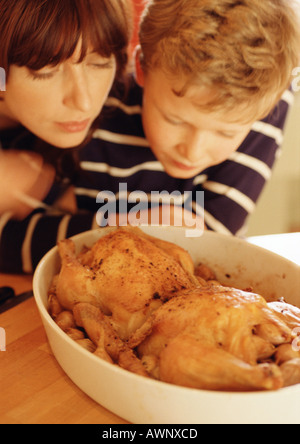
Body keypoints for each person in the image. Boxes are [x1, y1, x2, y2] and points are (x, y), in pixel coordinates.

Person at [1, 0, 300, 274]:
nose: (192, 152)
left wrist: (107, 228)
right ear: (140, 68)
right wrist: (114, 227)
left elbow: (207, 248)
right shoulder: (94, 111)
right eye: (173, 119)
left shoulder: (257, 94)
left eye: (225, 132)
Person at [0, 0, 132, 273]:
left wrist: (112, 229)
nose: (84, 102)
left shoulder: (123, 105)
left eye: (99, 63)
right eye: (44, 71)